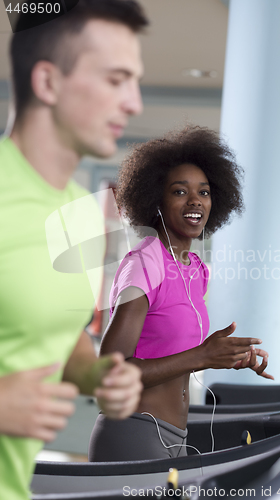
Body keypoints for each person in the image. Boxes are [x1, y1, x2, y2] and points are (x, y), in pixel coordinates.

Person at [0, 1, 149, 498]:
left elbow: (53, 333)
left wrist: (98, 373)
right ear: (47, 83)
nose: (134, 103)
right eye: (116, 79)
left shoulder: (76, 211)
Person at [89, 125, 274, 462]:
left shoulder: (194, 269)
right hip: (133, 434)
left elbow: (174, 351)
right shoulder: (145, 263)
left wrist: (225, 356)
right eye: (179, 191)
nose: (195, 201)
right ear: (155, 199)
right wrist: (202, 355)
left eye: (204, 192)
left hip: (175, 438)